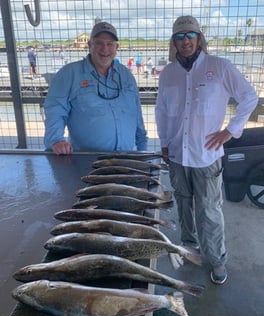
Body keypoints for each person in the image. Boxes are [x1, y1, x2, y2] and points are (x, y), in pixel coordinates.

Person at [155, 15, 258, 285]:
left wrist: (230, 131)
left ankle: (216, 259)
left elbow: (249, 96)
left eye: (190, 35)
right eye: (179, 36)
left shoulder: (219, 67)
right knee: (184, 205)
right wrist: (164, 142)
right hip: (177, 154)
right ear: (173, 42)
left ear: (199, 38)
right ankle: (189, 248)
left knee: (210, 211)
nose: (185, 41)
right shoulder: (168, 73)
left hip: (207, 156)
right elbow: (162, 111)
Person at [44, 21, 147, 155]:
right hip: (86, 162)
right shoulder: (69, 74)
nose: (105, 49)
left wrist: (143, 149)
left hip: (126, 160)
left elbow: (137, 115)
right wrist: (56, 140)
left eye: (110, 44)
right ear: (89, 45)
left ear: (117, 47)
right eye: (99, 43)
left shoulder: (126, 75)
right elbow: (55, 110)